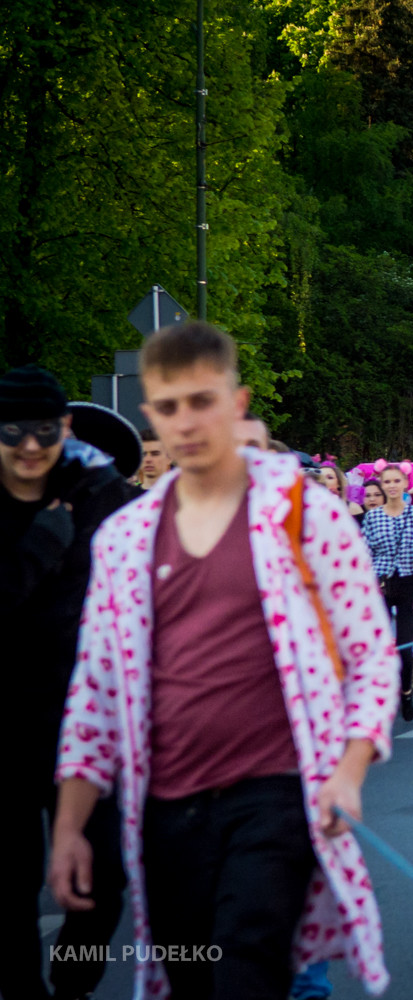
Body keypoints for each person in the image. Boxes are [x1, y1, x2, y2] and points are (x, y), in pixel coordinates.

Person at [48, 322, 397, 998]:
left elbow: (370, 652)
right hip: (166, 807)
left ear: (236, 404)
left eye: (202, 401)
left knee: (247, 967)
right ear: (150, 414)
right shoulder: (123, 539)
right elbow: (94, 693)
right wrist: (69, 827)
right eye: (168, 406)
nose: (186, 421)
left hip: (275, 794)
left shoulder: (305, 515)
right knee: (191, 977)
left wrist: (349, 770)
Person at [0, 365, 133, 1000]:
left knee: (104, 878)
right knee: (9, 882)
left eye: (45, 431)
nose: (30, 446)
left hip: (83, 719)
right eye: (13, 432)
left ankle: (73, 986)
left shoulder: (101, 492)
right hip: (3, 721)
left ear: (66, 426)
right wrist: (45, 540)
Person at [362, 461, 413, 721]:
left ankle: (405, 692)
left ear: (405, 483)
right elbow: (365, 555)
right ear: (381, 485)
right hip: (380, 583)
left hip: (409, 582)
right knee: (378, 646)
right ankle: (380, 695)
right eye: (387, 482)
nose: (392, 486)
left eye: (396, 481)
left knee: (404, 645)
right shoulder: (372, 517)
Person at [135, 426, 172, 490]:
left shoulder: (184, 492)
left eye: (155, 454)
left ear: (169, 458)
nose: (148, 459)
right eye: (143, 454)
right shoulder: (126, 494)